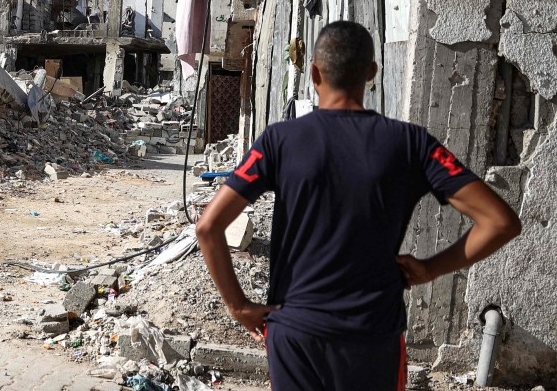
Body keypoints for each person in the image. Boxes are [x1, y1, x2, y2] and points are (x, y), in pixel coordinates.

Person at [195, 21, 521, 391]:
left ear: (314, 72)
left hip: (295, 333)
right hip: (373, 334)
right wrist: (429, 268)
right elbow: (500, 222)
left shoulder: (279, 140)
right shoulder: (412, 144)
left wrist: (239, 307)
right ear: (371, 73)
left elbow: (208, 227)